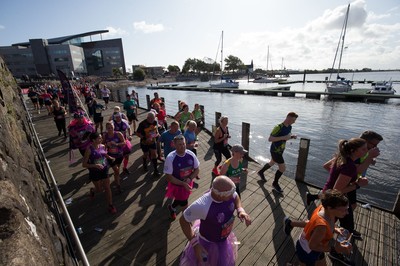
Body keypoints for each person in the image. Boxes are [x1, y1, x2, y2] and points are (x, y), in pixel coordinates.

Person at [286, 138, 368, 243]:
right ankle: (338, 250)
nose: (366, 152)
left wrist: (340, 177)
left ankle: (291, 223)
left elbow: (326, 166)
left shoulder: (341, 157)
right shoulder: (350, 166)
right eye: (363, 149)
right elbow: (337, 190)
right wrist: (357, 185)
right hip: (334, 199)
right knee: (346, 227)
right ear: (353, 150)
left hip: (328, 193)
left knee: (323, 221)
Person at [179, 175, 251, 266]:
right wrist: (195, 244)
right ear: (219, 194)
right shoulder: (202, 205)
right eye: (229, 195)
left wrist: (240, 209)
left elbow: (236, 197)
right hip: (207, 242)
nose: (232, 195)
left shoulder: (229, 193)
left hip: (224, 238)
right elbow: (183, 220)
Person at [296, 189, 352, 266]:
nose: (347, 212)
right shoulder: (322, 228)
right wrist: (335, 249)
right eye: (344, 210)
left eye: (347, 208)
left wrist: (335, 229)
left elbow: (325, 222)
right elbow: (312, 246)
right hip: (307, 251)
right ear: (330, 208)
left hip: (315, 244)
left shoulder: (322, 208)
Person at [257, 112, 298, 193]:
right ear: (288, 117)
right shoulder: (278, 127)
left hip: (281, 150)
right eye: (293, 120)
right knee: (283, 168)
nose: (294, 122)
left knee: (272, 162)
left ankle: (260, 172)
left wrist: (291, 137)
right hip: (275, 151)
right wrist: (284, 137)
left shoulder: (289, 127)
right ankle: (275, 183)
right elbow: (270, 139)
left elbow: (285, 138)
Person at [164, 135, 200, 220]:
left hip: (188, 182)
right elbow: (169, 177)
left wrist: (190, 178)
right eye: (179, 144)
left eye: (183, 143)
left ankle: (172, 207)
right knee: (184, 203)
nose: (182, 146)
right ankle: (187, 220)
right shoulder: (170, 158)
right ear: (174, 145)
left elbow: (197, 169)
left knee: (182, 198)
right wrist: (183, 183)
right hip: (177, 185)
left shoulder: (191, 154)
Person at [82, 132, 117, 214]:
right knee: (99, 189)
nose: (101, 139)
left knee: (107, 187)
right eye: (99, 138)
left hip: (104, 169)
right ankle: (93, 190)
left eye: (101, 138)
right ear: (93, 140)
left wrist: (110, 157)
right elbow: (84, 164)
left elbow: (104, 154)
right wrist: (95, 165)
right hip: (95, 171)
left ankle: (110, 205)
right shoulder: (89, 150)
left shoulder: (102, 146)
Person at [103, 122, 126, 194]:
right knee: (116, 170)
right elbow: (103, 145)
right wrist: (107, 144)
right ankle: (118, 186)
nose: (110, 129)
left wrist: (116, 144)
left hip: (119, 155)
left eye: (111, 127)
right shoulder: (105, 135)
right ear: (106, 129)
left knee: (117, 170)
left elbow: (124, 142)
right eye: (108, 128)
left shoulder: (118, 134)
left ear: (114, 127)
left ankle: (117, 181)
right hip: (110, 156)